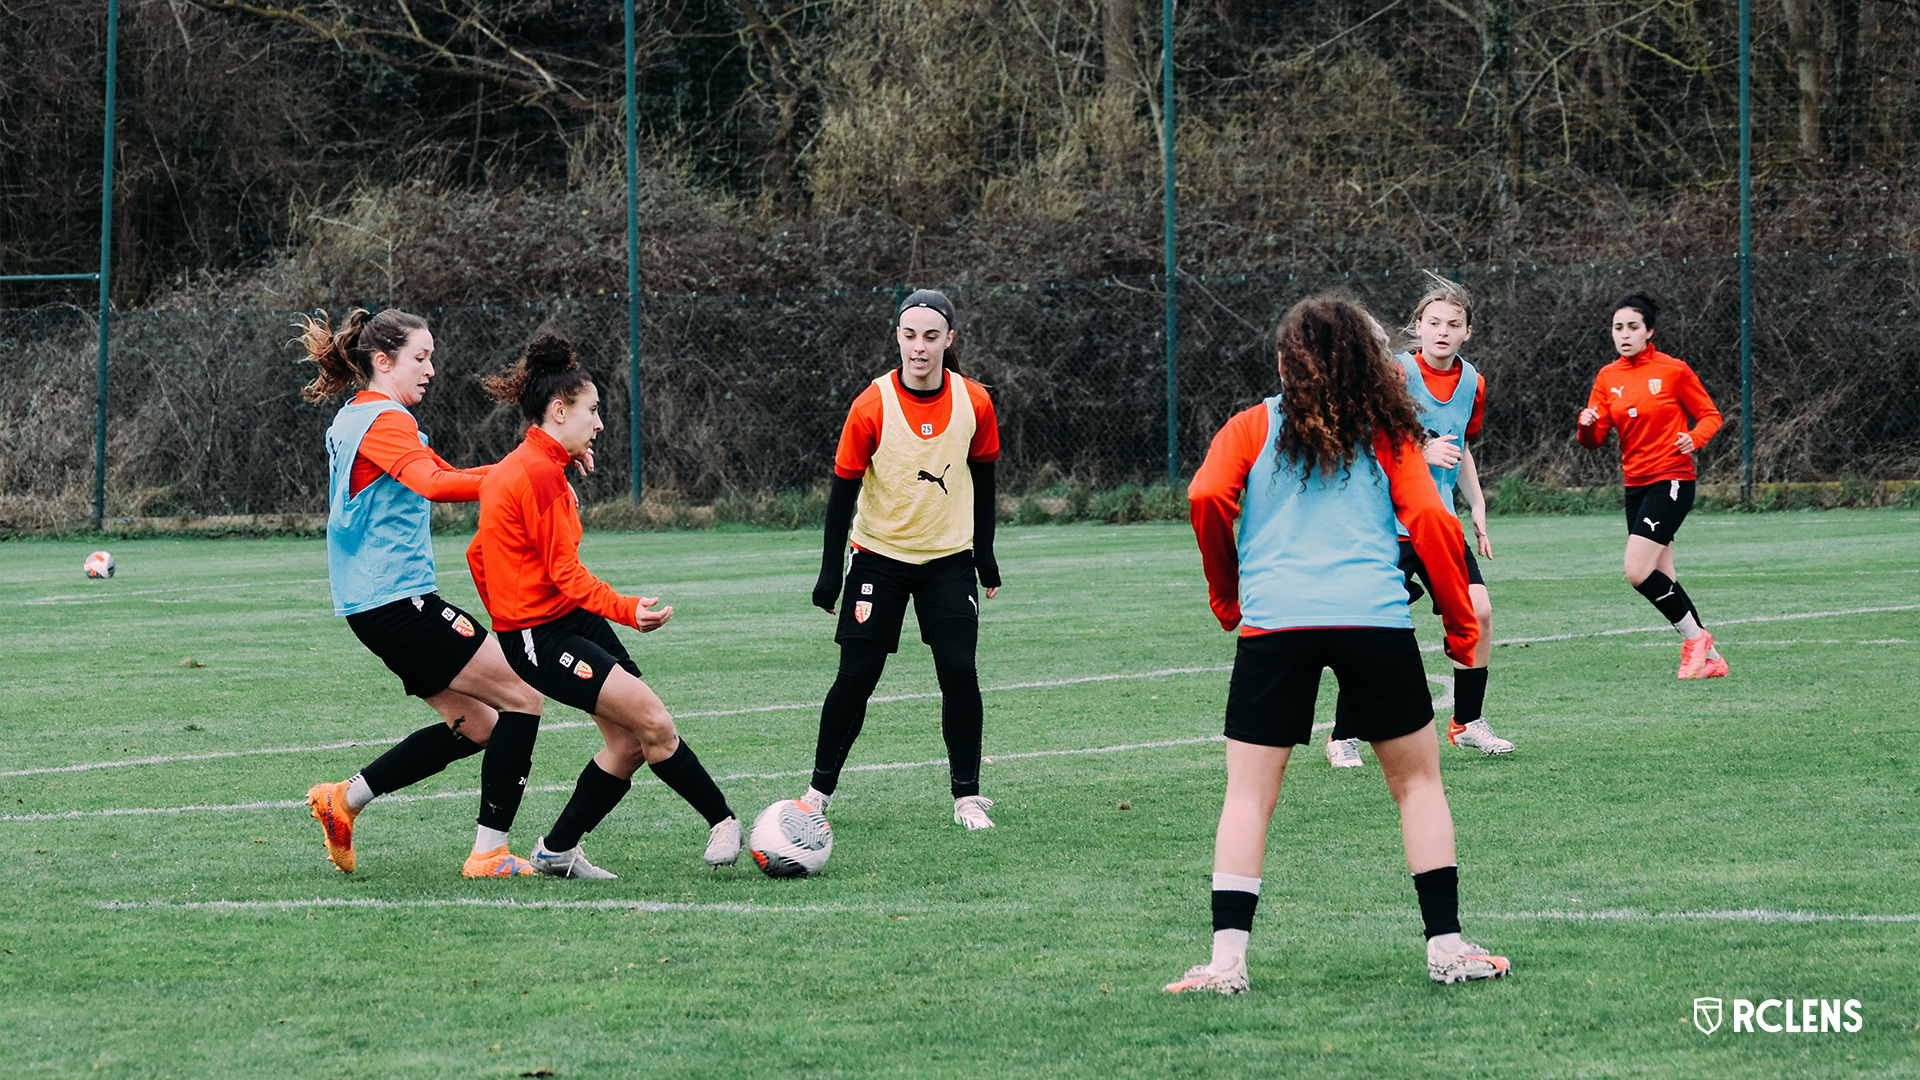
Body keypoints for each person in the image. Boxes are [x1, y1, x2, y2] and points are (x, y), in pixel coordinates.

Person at [1168, 294, 1510, 995]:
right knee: (1417, 786)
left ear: (1287, 358)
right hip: (1374, 621)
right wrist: (1458, 623)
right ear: (1370, 359)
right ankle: (1446, 949)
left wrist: (1227, 594)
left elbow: (1205, 496)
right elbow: (1432, 524)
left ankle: (1226, 963)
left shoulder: (1249, 426)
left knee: (1247, 798)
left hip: (1275, 626)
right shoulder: (1389, 432)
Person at [469, 333, 741, 879]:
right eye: (592, 412)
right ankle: (724, 821)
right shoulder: (538, 473)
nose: (598, 424)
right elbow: (563, 574)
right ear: (559, 409)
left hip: (561, 621)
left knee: (630, 740)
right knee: (654, 722)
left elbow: (479, 553)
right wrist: (625, 609)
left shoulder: (536, 464)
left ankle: (557, 849)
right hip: (542, 635)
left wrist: (509, 597)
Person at [296, 307, 547, 879]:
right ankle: (488, 854)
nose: (431, 368)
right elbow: (435, 484)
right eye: (420, 357)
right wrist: (531, 470)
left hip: (375, 604)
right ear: (382, 361)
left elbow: (446, 471)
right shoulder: (386, 420)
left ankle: (344, 801)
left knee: (480, 725)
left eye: (431, 356)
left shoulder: (358, 416)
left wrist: (530, 470)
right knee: (523, 697)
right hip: (398, 601)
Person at [804, 289, 1003, 829]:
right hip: (878, 558)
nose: (920, 347)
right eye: (910, 335)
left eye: (931, 336)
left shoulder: (975, 401)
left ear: (949, 340)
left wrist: (985, 556)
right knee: (858, 675)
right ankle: (817, 794)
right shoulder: (871, 404)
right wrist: (829, 574)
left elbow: (984, 482)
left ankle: (967, 795)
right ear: (897, 337)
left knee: (959, 670)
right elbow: (841, 491)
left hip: (948, 560)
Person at [1326, 276, 1511, 767]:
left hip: (1439, 523)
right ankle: (1343, 734)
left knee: (1478, 613)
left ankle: (1467, 723)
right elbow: (1368, 435)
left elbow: (1460, 446)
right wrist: (1420, 446)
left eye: (1454, 324)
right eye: (1434, 323)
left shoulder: (1473, 382)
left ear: (1468, 332)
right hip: (1387, 524)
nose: (1442, 331)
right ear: (1418, 327)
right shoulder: (1394, 375)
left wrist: (1477, 506)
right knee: (1375, 628)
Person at [1577, 293, 1729, 680]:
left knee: (1637, 570)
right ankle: (1711, 659)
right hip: (1636, 484)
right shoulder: (1607, 377)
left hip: (1673, 479)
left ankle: (1695, 640)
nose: (1624, 335)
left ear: (1649, 332)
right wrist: (1587, 423)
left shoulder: (1673, 370)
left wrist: (1694, 439)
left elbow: (1711, 415)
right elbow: (1593, 441)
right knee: (1663, 573)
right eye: (1618, 328)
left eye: (1632, 327)